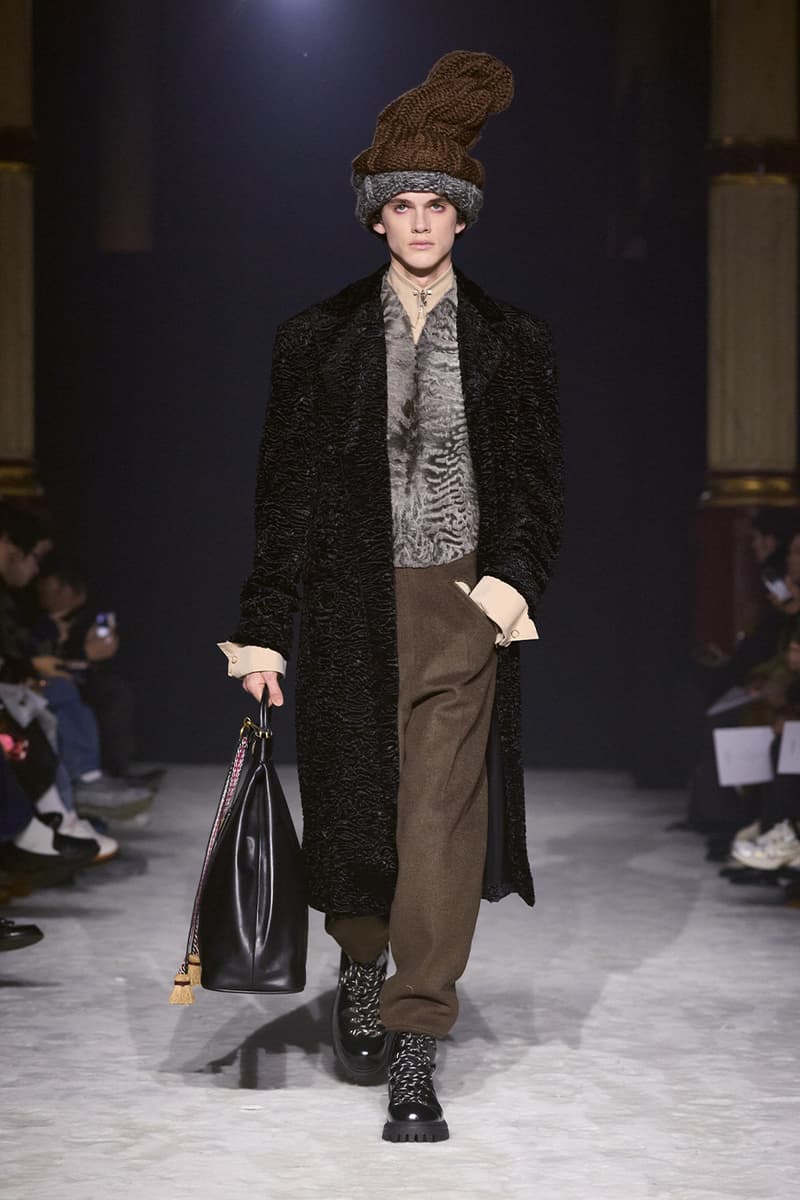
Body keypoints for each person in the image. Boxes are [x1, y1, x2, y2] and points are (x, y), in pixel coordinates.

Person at [217, 51, 564, 1142]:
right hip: (349, 605)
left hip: (463, 609)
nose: (419, 221)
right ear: (376, 218)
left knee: (441, 826)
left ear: (462, 217)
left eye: (436, 204)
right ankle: (360, 967)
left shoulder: (513, 343)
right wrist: (264, 628)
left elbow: (537, 486)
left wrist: (507, 583)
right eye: (401, 204)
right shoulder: (314, 341)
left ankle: (417, 1039)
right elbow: (282, 497)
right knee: (357, 815)